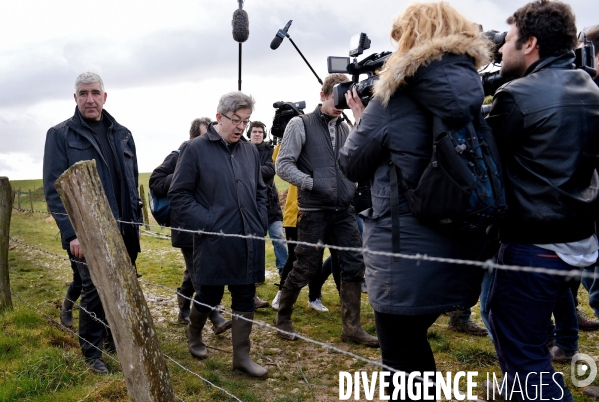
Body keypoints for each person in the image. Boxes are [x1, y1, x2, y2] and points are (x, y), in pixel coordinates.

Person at [338, 2, 489, 396]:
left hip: (402, 253)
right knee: (415, 346)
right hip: (461, 243)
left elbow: (351, 162)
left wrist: (363, 118)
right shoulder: (472, 88)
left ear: (411, 37)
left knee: (402, 360)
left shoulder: (394, 97)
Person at [485, 1, 599, 399]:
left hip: (534, 242)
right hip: (579, 237)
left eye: (508, 40)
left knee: (524, 352)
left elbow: (483, 164)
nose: (500, 49)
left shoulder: (517, 96)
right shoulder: (590, 86)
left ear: (530, 43)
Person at [43, 72, 142, 374]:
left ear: (104, 96)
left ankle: (114, 339)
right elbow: (53, 188)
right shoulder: (61, 135)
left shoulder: (123, 134)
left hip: (124, 227)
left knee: (122, 285)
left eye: (95, 93)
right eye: (83, 93)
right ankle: (91, 353)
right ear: (75, 98)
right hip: (87, 231)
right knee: (95, 288)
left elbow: (131, 179)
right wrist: (73, 233)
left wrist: (135, 223)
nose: (90, 99)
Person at [168, 91, 269, 378]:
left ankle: (241, 356)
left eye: (245, 121)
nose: (241, 127)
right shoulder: (195, 149)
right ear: (219, 117)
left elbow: (261, 191)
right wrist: (210, 221)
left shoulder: (250, 151)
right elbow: (179, 195)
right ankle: (194, 332)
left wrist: (259, 220)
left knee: (245, 295)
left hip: (248, 239)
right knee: (209, 293)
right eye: (236, 120)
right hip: (212, 240)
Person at [275, 74, 379, 347]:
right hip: (314, 210)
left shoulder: (346, 128)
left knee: (354, 265)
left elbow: (355, 162)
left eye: (344, 96)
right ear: (322, 95)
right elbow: (283, 165)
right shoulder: (300, 124)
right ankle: (283, 318)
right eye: (334, 95)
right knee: (305, 267)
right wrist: (313, 184)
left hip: (343, 210)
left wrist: (349, 183)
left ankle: (352, 328)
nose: (338, 102)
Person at [149, 117, 231, 335]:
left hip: (207, 225)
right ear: (192, 138)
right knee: (200, 274)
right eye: (204, 137)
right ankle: (215, 317)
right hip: (186, 226)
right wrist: (184, 175)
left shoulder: (212, 157)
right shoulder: (178, 155)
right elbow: (155, 181)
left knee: (192, 271)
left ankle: (183, 306)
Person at [247, 121, 287, 309]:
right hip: (251, 207)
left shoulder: (269, 151)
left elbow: (270, 171)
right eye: (254, 131)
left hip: (271, 205)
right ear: (249, 133)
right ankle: (255, 278)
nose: (257, 134)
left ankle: (284, 274)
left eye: (260, 132)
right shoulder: (242, 149)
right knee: (254, 243)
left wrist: (247, 171)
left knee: (278, 238)